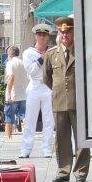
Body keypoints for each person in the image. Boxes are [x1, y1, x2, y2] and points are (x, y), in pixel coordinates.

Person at [44, 17, 90, 182]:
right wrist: (59, 91)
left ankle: (81, 171)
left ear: (73, 32)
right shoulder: (51, 54)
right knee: (61, 139)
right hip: (59, 101)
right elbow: (47, 78)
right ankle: (63, 171)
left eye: (68, 31)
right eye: (62, 32)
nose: (65, 35)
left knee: (81, 138)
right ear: (58, 33)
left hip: (79, 101)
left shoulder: (82, 51)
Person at [20, 23, 55, 158]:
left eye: (44, 35)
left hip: (48, 86)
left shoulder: (52, 51)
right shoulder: (28, 53)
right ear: (36, 36)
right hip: (34, 86)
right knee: (30, 119)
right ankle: (26, 148)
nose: (42, 37)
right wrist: (42, 58)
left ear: (47, 37)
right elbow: (31, 71)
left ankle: (46, 148)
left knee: (48, 120)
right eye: (39, 35)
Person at [4, 45, 27, 139]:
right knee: (24, 117)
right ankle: (26, 137)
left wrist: (9, 92)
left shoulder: (10, 63)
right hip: (24, 94)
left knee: (9, 117)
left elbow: (11, 77)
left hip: (13, 94)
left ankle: (8, 138)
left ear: (9, 53)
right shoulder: (23, 63)